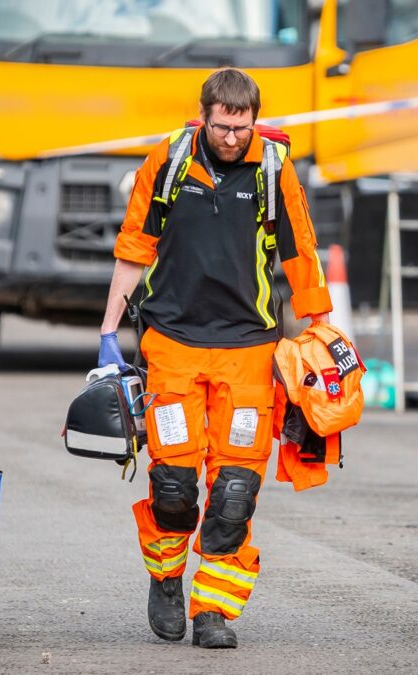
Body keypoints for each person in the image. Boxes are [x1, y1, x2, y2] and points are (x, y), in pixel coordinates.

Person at [100, 68, 332, 649]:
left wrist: (322, 333)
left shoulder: (275, 168)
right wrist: (108, 330)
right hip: (172, 344)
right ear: (203, 115)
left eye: (242, 126)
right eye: (222, 126)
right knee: (174, 486)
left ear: (255, 119)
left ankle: (215, 611)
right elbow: (134, 246)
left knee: (234, 491)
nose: (232, 137)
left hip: (250, 349)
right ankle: (165, 578)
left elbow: (300, 252)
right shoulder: (170, 160)